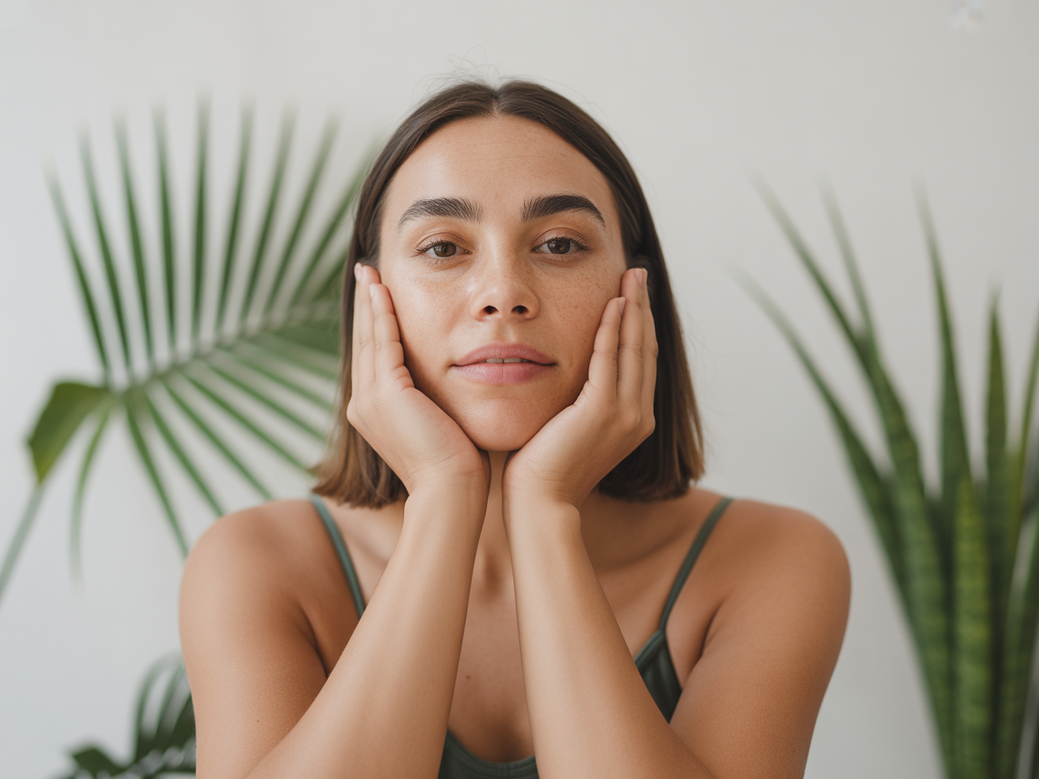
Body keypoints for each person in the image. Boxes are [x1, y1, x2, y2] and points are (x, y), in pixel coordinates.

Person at [179, 79, 850, 779]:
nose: (503, 292)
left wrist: (545, 511)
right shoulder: (257, 564)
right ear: (373, 299)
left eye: (559, 243)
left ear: (635, 290)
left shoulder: (769, 560)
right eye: (442, 248)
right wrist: (442, 495)